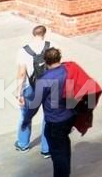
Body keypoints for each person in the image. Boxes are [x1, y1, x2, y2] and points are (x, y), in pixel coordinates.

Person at [32, 47, 75, 176]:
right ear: (59, 58)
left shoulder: (45, 79)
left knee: (58, 153)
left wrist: (27, 119)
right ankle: (65, 172)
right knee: (64, 145)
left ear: (45, 61)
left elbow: (35, 103)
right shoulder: (68, 71)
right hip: (69, 116)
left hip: (55, 121)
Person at [14, 25, 53, 156]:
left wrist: (19, 92)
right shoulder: (52, 46)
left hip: (31, 88)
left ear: (33, 34)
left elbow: (21, 73)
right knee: (48, 117)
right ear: (44, 34)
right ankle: (46, 149)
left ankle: (23, 144)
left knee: (26, 115)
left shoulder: (23, 51)